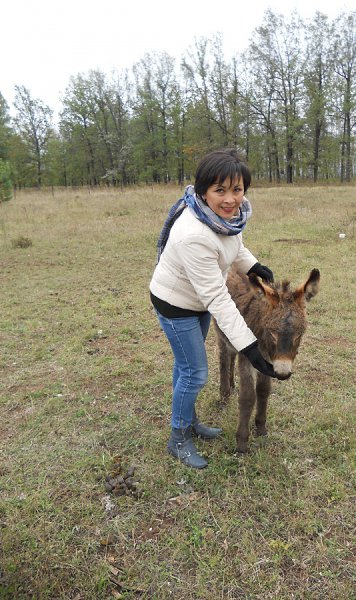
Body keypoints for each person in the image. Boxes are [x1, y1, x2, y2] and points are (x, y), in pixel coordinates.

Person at [150, 148, 280, 469]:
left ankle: (189, 419)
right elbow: (218, 299)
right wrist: (250, 349)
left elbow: (233, 245)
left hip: (196, 302)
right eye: (219, 190)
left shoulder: (226, 219)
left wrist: (253, 265)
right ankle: (178, 437)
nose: (230, 199)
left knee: (185, 367)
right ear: (203, 191)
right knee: (195, 373)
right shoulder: (193, 234)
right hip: (176, 304)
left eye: (237, 189)